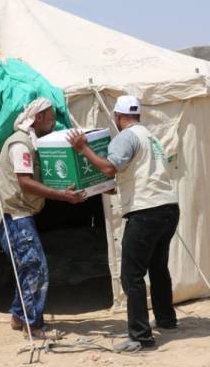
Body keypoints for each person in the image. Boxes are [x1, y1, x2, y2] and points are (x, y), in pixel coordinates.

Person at [67, 95, 179, 352]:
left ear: (117, 116)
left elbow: (110, 168)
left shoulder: (126, 137)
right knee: (158, 267)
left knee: (131, 275)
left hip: (145, 212)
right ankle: (166, 319)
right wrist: (103, 188)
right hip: (168, 208)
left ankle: (141, 337)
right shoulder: (149, 137)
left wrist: (83, 148)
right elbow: (132, 176)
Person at [0, 97, 86, 339]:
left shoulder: (30, 142)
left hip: (16, 212)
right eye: (50, 118)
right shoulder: (21, 144)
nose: (53, 123)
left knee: (27, 266)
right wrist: (63, 196)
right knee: (36, 268)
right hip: (13, 214)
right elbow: (25, 182)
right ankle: (33, 326)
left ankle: (19, 316)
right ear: (38, 118)